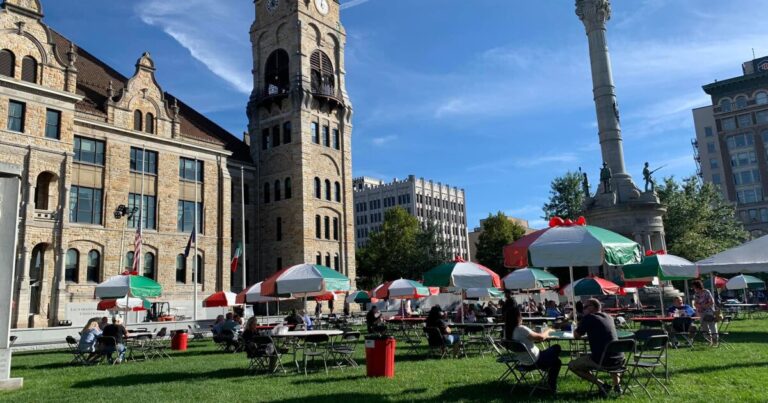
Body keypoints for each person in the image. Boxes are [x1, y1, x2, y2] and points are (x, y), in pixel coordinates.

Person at [569, 298, 622, 397]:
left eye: (585, 307)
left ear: (593, 308)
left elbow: (576, 335)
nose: (583, 309)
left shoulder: (589, 318)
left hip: (602, 360)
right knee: (610, 354)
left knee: (572, 365)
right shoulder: (609, 317)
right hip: (619, 360)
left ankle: (601, 384)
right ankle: (617, 386)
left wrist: (579, 322)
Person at [506, 306, 562, 393]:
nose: (522, 317)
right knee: (557, 352)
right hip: (535, 360)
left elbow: (530, 339)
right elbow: (542, 338)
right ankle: (551, 386)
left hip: (522, 361)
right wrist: (550, 329)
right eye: (521, 315)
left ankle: (547, 368)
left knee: (554, 356)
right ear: (517, 317)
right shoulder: (521, 329)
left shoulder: (508, 331)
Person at [693, 280, 718, 346]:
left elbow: (712, 302)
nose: (693, 289)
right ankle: (709, 340)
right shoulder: (696, 294)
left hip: (709, 311)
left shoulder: (706, 292)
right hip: (701, 312)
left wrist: (703, 306)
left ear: (697, 286)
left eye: (694, 287)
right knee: (704, 327)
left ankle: (715, 340)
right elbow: (695, 303)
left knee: (711, 325)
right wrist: (698, 306)